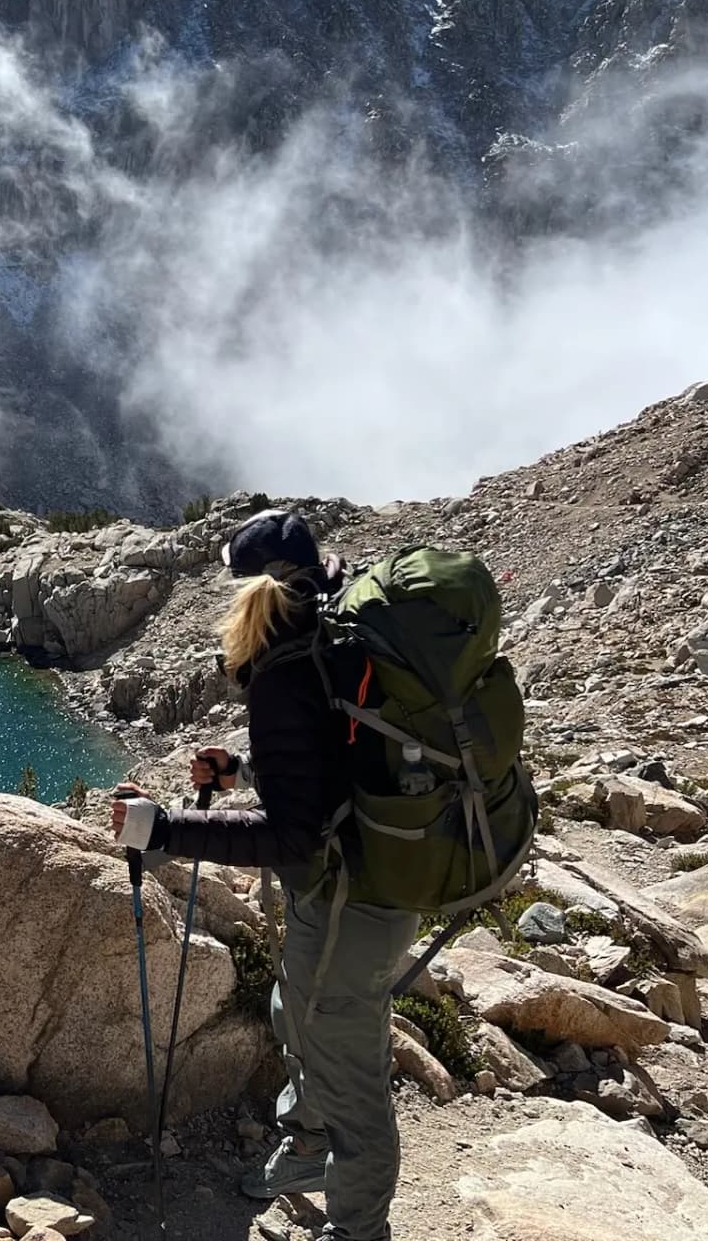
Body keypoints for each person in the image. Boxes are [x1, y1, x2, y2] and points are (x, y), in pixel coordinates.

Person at [109, 509, 417, 1241]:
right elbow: (335, 766)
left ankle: (358, 1229)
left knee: (350, 1074)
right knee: (293, 1013)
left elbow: (290, 834)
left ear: (257, 594)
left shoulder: (287, 666)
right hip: (357, 878)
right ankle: (308, 1147)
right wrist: (247, 770)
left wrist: (165, 829)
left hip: (354, 896)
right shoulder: (325, 636)